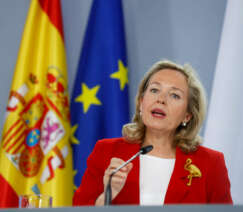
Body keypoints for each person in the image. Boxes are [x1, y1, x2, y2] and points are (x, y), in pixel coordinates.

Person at [73, 60, 233, 206]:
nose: (161, 99)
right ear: (141, 102)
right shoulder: (107, 152)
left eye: (175, 95)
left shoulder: (210, 164)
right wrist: (107, 195)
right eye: (155, 90)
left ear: (187, 115)